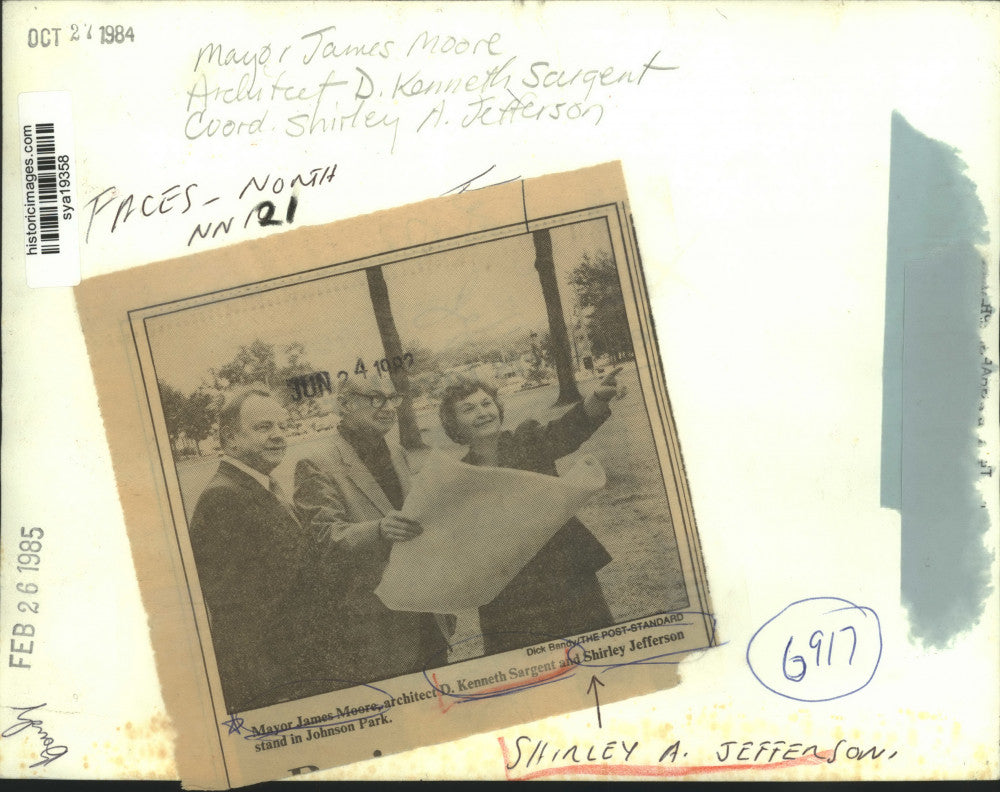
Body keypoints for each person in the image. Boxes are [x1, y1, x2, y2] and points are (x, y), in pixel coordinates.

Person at [438, 369, 622, 655]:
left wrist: (597, 398)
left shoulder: (528, 439)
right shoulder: (460, 478)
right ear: (454, 425)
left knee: (592, 652)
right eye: (468, 409)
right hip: (508, 592)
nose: (482, 412)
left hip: (565, 573)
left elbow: (567, 431)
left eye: (486, 404)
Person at [293, 378, 448, 687]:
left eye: (392, 398)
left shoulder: (396, 451)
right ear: (345, 405)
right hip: (374, 629)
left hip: (426, 614)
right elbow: (321, 536)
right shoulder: (317, 462)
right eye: (377, 399)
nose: (389, 408)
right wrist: (378, 530)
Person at [188, 387, 325, 713]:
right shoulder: (223, 498)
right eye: (263, 428)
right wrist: (277, 691)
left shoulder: (260, 485)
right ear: (230, 439)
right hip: (269, 685)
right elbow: (237, 613)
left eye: (282, 426)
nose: (278, 436)